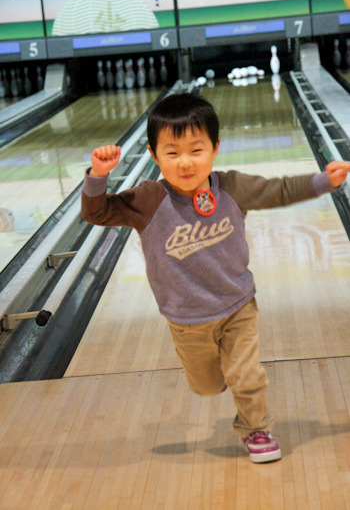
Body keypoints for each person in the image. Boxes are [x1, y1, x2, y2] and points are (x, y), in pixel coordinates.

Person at [81, 93, 350, 463]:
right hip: (186, 319)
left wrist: (324, 181)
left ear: (215, 148)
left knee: (248, 376)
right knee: (206, 386)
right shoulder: (148, 200)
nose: (186, 162)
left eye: (197, 150)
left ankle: (257, 428)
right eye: (172, 153)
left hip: (238, 304)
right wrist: (98, 175)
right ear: (154, 154)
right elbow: (97, 213)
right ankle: (222, 376)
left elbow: (280, 190)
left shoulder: (232, 188)